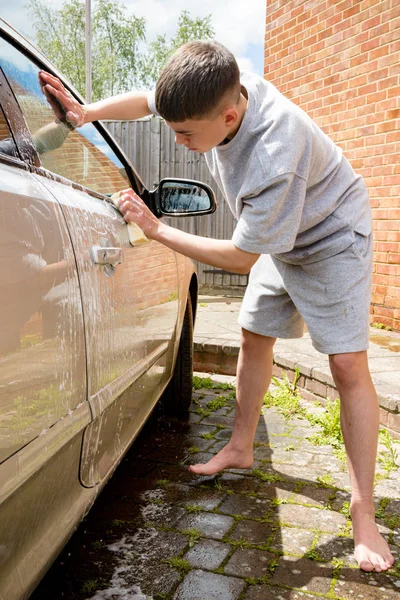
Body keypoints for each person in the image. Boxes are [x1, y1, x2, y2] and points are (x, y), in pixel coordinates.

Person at [39, 41, 394, 574]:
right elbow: (147, 102)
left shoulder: (277, 152)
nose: (179, 144)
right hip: (280, 233)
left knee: (346, 365)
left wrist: (156, 229)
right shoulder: (219, 84)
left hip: (330, 236)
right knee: (253, 334)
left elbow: (241, 257)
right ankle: (241, 445)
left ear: (230, 116)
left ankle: (363, 512)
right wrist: (86, 113)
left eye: (186, 134)